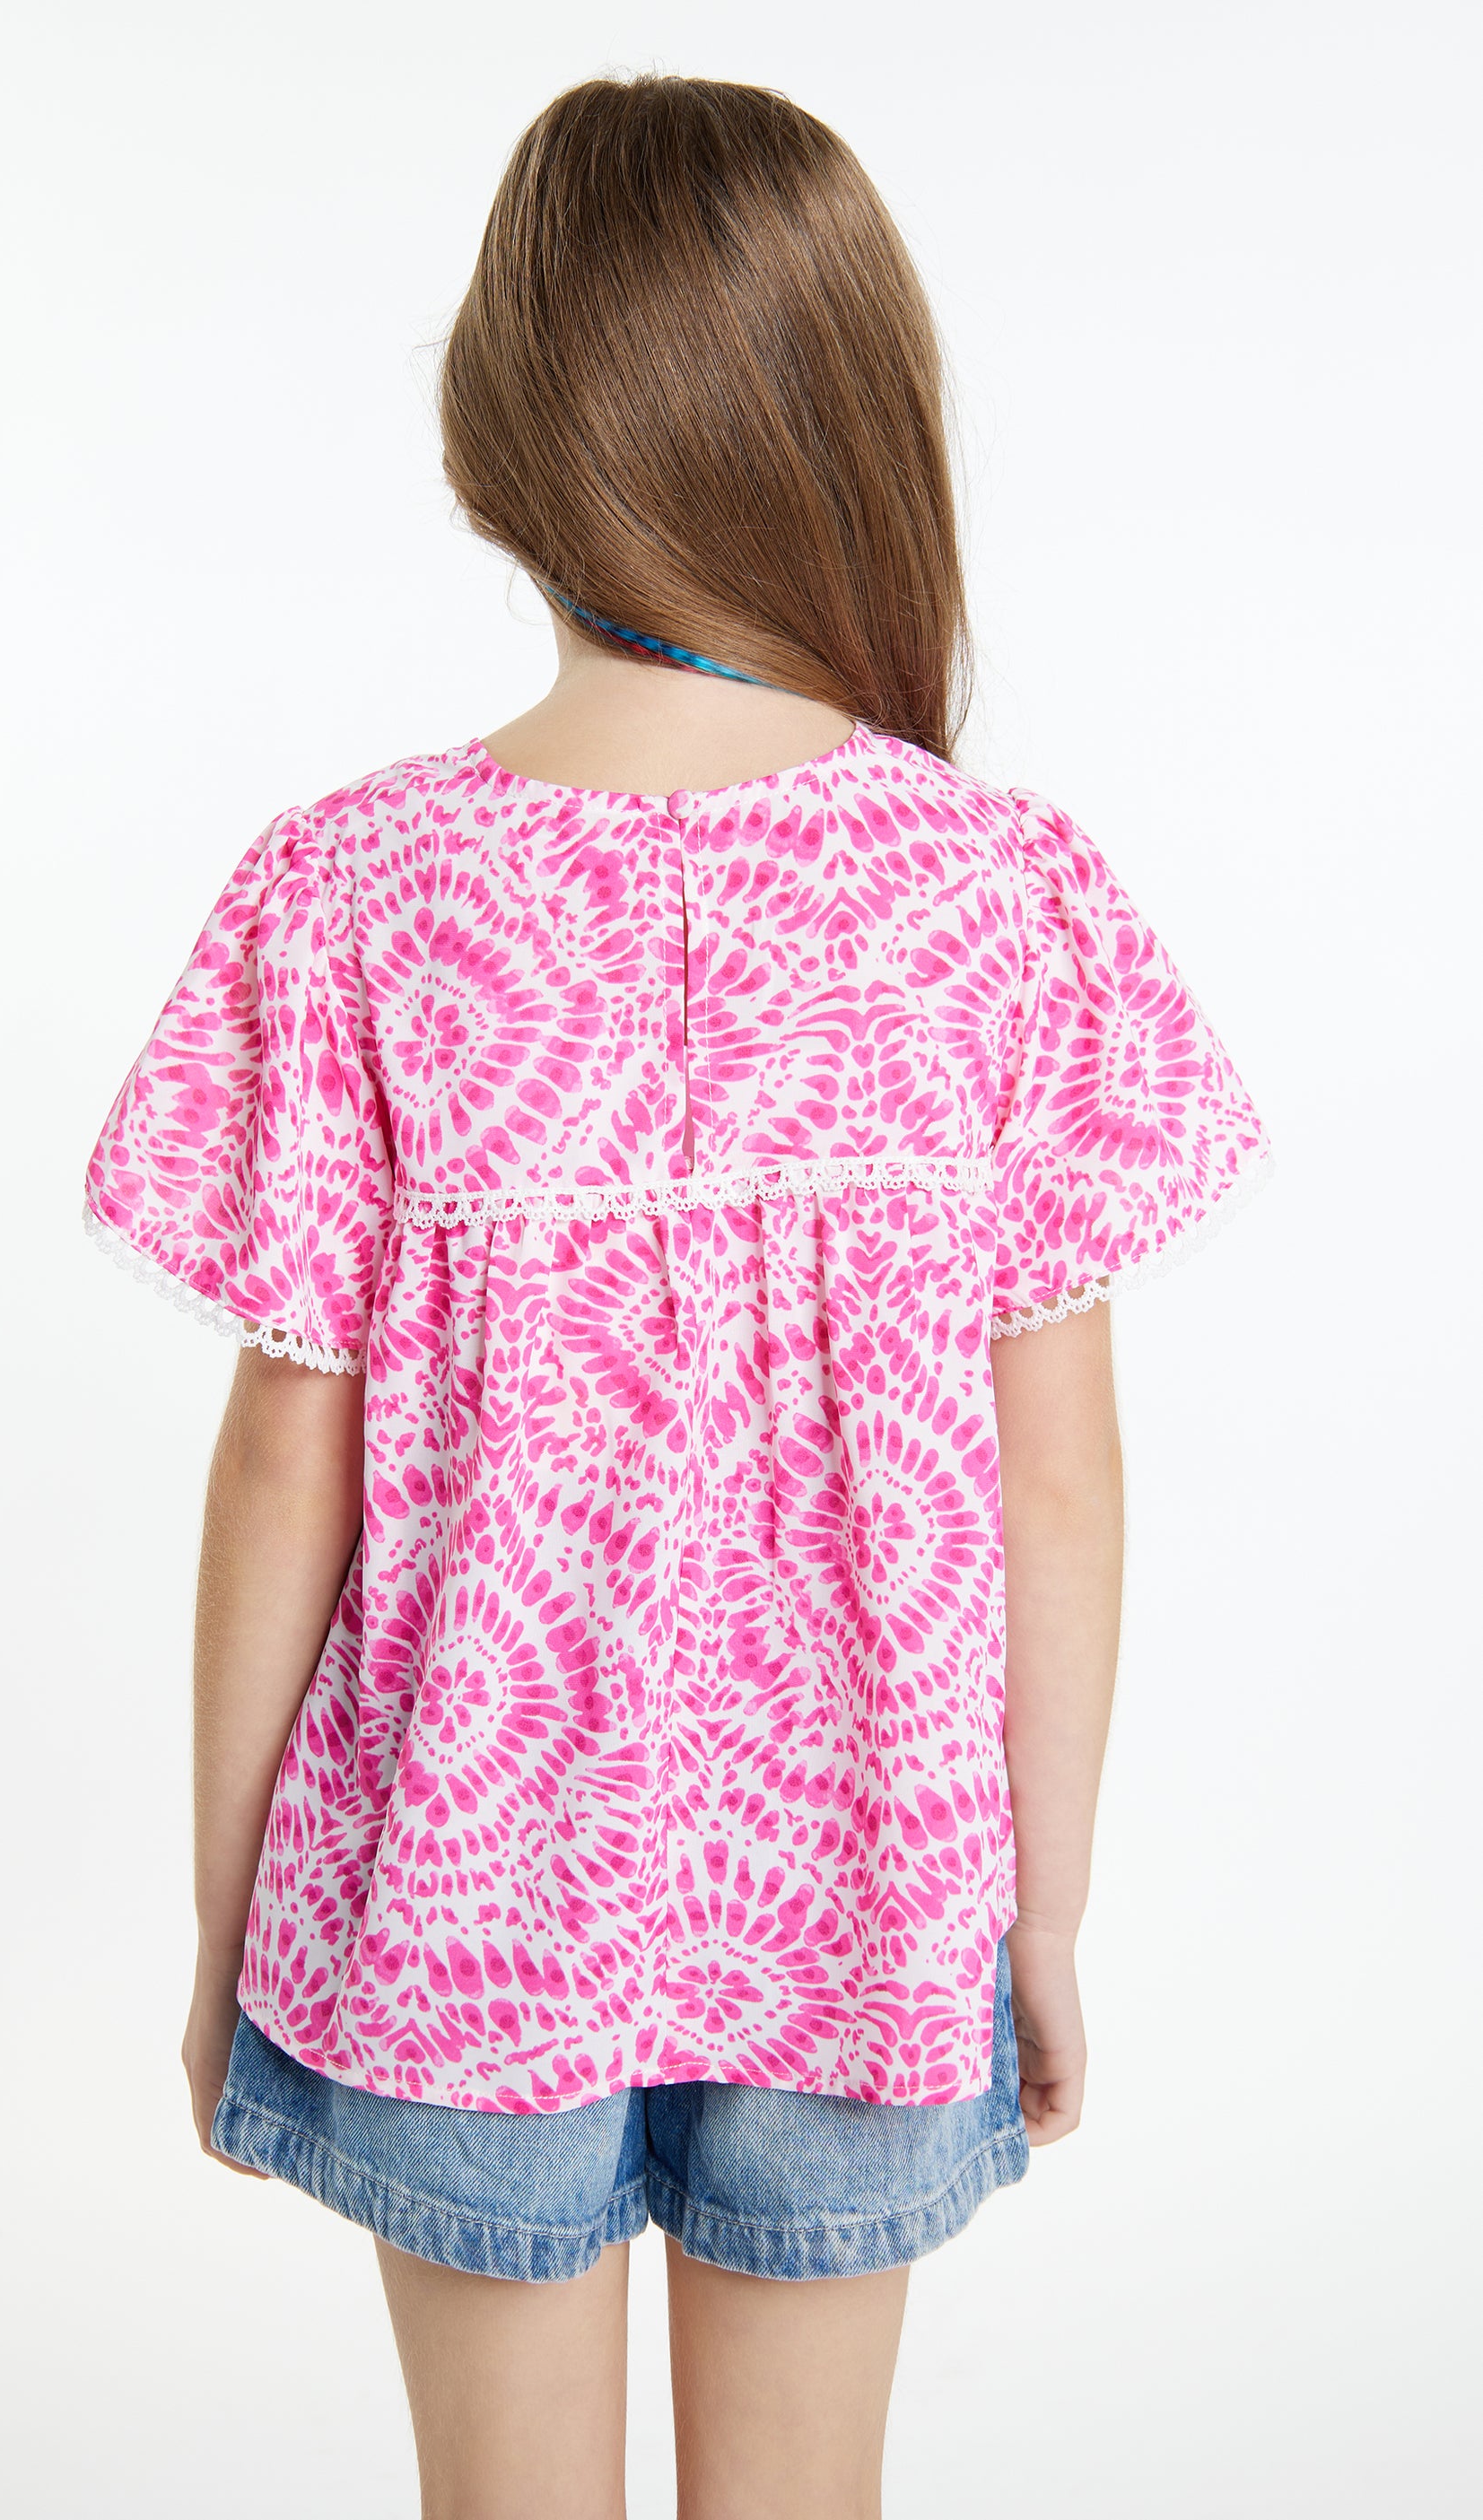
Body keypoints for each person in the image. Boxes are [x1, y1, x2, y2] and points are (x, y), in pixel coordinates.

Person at [81, 71, 1275, 2520]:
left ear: (498, 434)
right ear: (853, 421)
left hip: (458, 1897)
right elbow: (1057, 1476)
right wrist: (1041, 1910)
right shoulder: (1004, 897)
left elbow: (286, 1460)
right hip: (869, 1893)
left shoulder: (355, 893)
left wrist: (226, 1918)